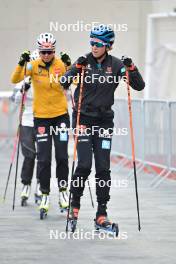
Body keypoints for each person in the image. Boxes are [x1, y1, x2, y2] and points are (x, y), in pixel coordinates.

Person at [61, 25, 145, 230]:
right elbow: (64, 81)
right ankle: (74, 205)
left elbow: (139, 86)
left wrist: (132, 67)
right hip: (83, 120)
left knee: (103, 168)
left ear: (108, 45)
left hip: (104, 122)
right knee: (84, 164)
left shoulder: (116, 65)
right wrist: (73, 69)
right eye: (91, 42)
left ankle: (101, 213)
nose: (93, 46)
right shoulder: (84, 62)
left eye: (98, 43)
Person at [11, 33, 71, 216]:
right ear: (39, 50)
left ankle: (63, 192)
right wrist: (21, 63)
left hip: (61, 116)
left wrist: (70, 67)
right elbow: (15, 79)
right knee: (43, 158)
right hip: (41, 118)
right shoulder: (33, 65)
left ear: (54, 50)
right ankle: (44, 193)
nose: (46, 55)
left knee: (62, 156)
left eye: (50, 52)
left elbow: (73, 81)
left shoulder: (60, 64)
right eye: (43, 52)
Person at [12, 49, 42, 206]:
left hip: (44, 120)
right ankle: (26, 185)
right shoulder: (23, 79)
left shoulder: (45, 79)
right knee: (29, 155)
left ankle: (40, 185)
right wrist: (23, 89)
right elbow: (15, 101)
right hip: (27, 122)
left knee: (42, 156)